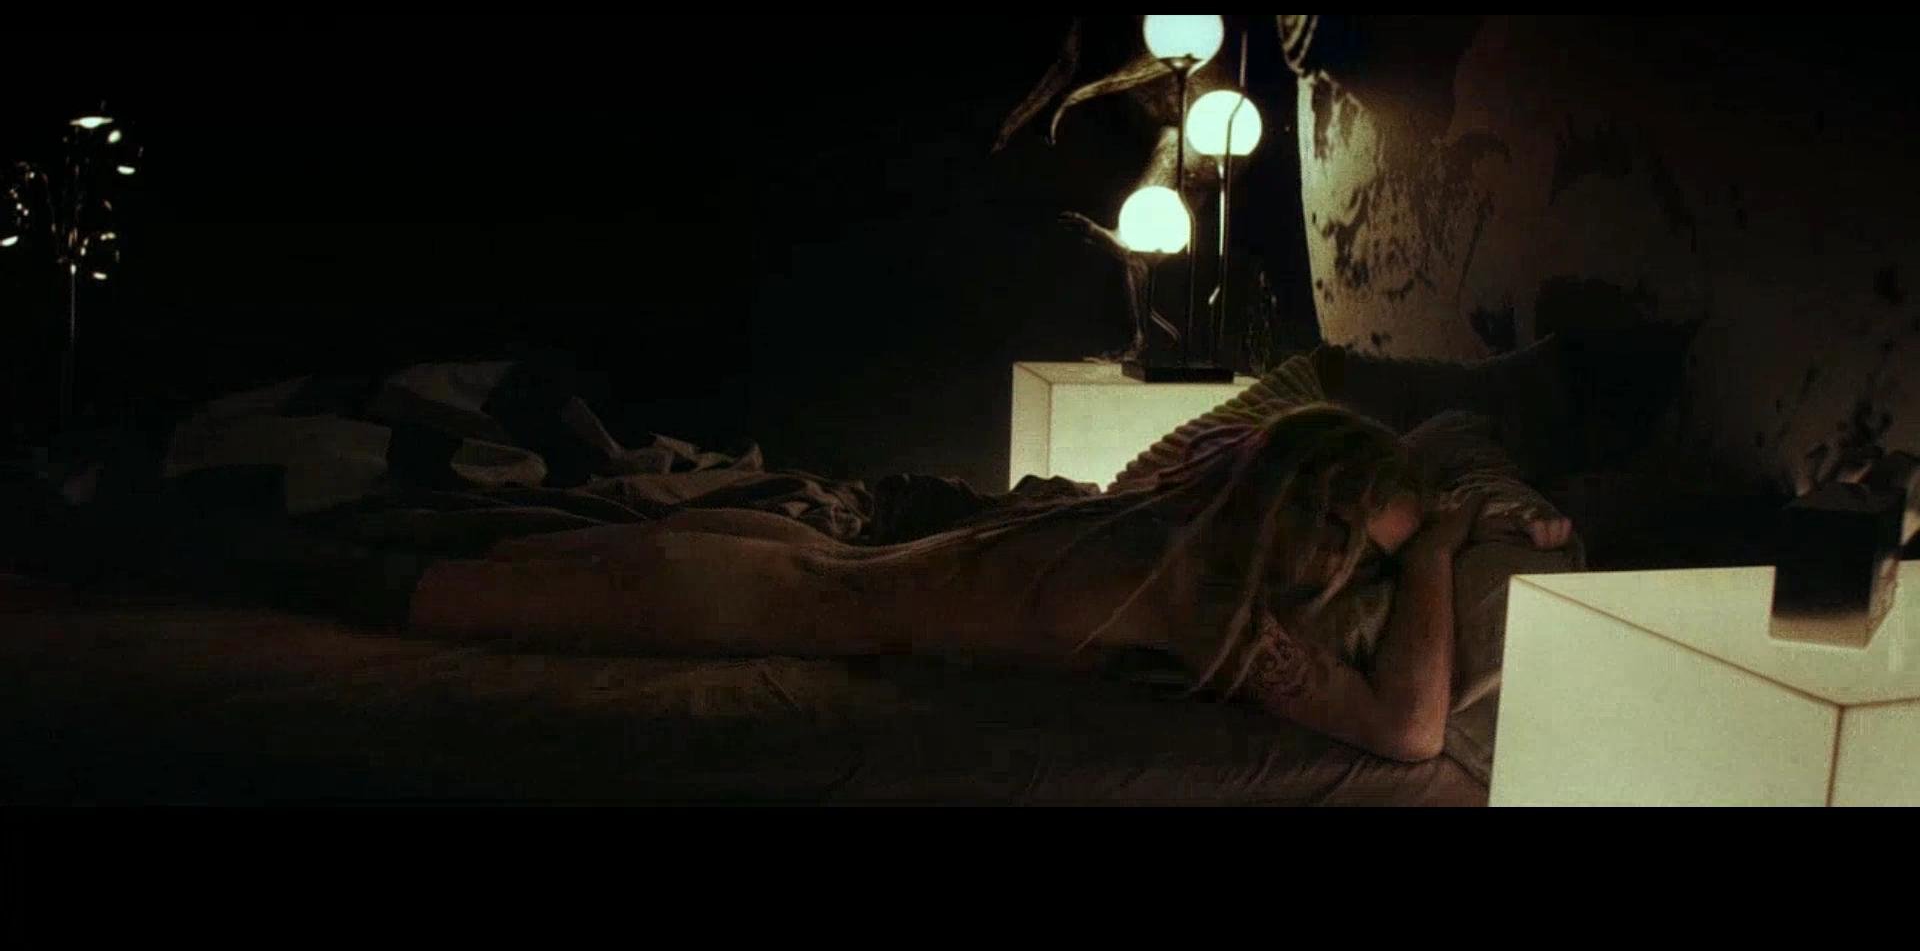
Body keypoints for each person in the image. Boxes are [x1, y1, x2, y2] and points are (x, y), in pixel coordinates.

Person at [411, 401, 1573, 764]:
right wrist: (1434, 556)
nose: (1352, 576)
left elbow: (1436, 450)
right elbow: (1409, 731)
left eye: (1375, 563)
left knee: (447, 567)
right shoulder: (1209, 603)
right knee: (425, 600)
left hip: (786, 570)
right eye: (1355, 544)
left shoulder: (1177, 526)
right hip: (761, 600)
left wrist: (1451, 518)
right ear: (1300, 506)